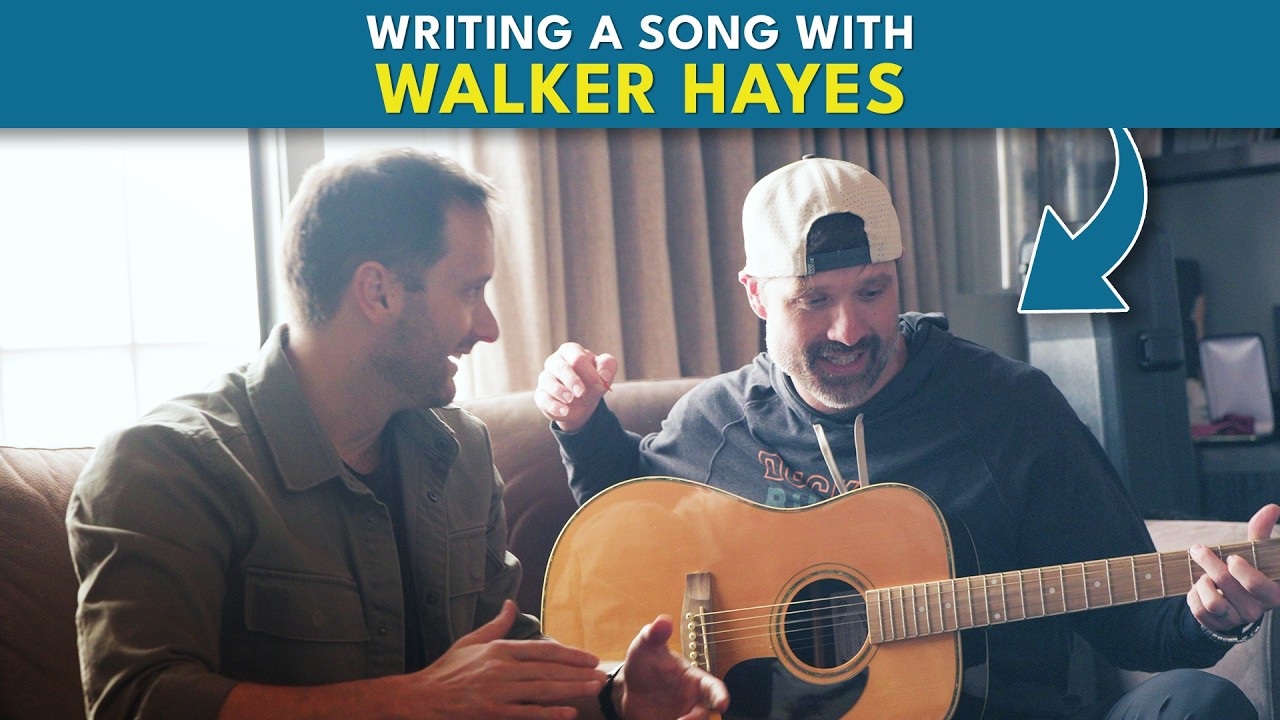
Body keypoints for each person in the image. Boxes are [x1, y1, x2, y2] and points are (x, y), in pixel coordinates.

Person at [535, 156, 1280, 718]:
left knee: (1196, 704)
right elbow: (617, 535)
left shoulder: (1009, 410)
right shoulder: (717, 423)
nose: (849, 329)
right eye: (813, 300)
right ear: (756, 294)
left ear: (898, 274)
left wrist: (1205, 618)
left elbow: (1129, 623)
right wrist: (579, 424)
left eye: (872, 290)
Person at [66, 148, 729, 720]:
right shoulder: (162, 465)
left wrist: (615, 697)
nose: (489, 328)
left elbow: (491, 670)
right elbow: (137, 702)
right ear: (378, 292)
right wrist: (410, 702)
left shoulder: (462, 452)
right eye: (470, 290)